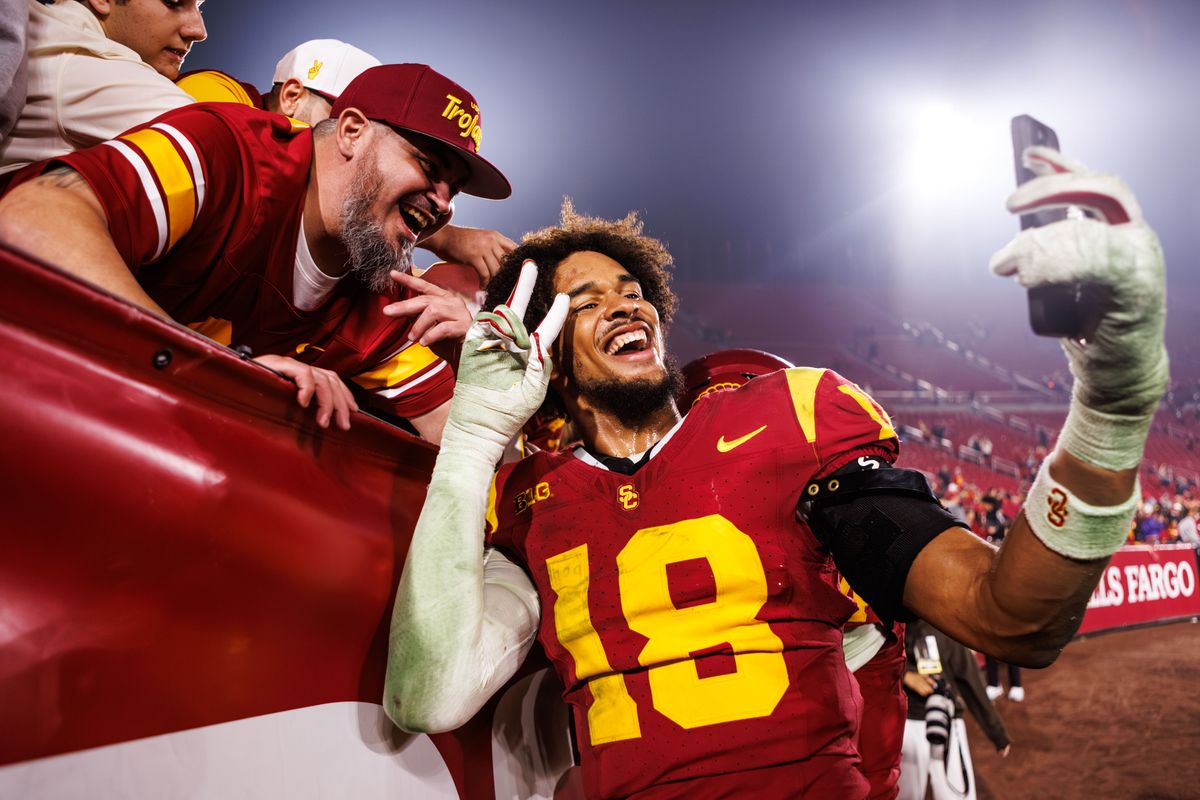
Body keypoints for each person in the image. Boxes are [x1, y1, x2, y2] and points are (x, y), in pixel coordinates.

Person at [386, 143, 1167, 798]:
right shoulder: (531, 500)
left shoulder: (786, 423)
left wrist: (1112, 404)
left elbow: (1011, 618)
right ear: (547, 353)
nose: (627, 307)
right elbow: (429, 694)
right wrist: (474, 432)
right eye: (586, 302)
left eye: (634, 292)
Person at [0, 63, 509, 440]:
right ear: (351, 132)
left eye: (455, 189)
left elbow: (454, 429)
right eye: (428, 166)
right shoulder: (228, 150)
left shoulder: (380, 289)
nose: (444, 204)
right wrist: (225, 374)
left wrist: (493, 357)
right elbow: (32, 217)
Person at [176, 39, 517, 282]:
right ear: (292, 96)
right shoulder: (218, 102)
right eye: (335, 115)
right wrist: (448, 239)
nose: (340, 131)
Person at [0, 0, 205, 177]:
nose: (198, 31)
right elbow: (220, 145)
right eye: (173, 2)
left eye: (198, 6)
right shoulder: (83, 67)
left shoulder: (52, 30)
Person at [900, 620, 1011, 800]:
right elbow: (874, 661)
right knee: (904, 795)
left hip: (947, 721)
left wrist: (997, 732)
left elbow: (969, 678)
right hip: (907, 722)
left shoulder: (947, 625)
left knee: (955, 795)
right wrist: (905, 675)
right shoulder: (892, 620)